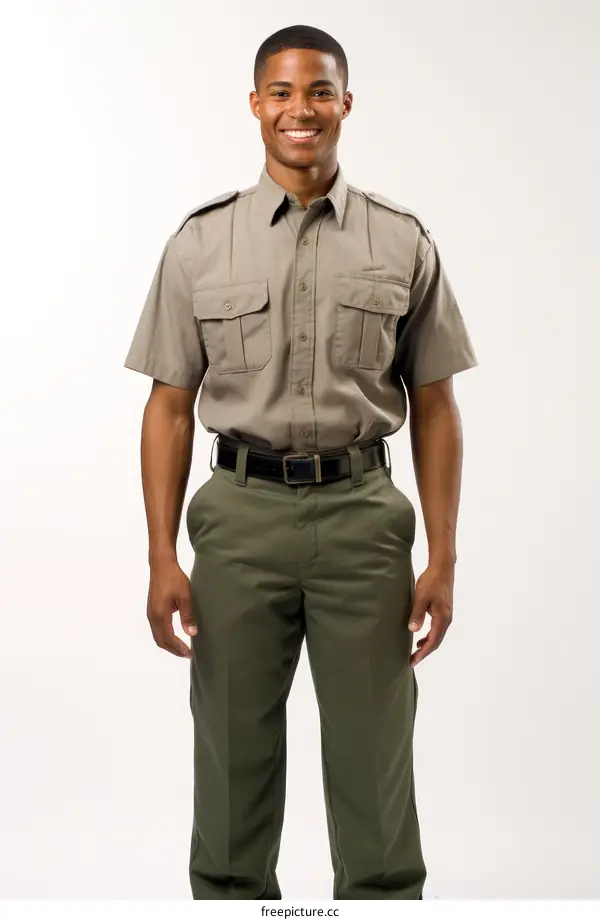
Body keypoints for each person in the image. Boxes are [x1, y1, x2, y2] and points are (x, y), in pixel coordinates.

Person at [124, 23, 477, 901]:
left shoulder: (403, 242)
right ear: (254, 106)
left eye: (319, 91)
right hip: (238, 519)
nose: (300, 110)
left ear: (346, 104)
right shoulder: (201, 244)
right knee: (233, 750)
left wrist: (445, 554)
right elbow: (168, 407)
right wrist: (163, 556)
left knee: (374, 753)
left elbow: (435, 404)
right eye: (281, 92)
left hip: (364, 518)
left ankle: (384, 905)